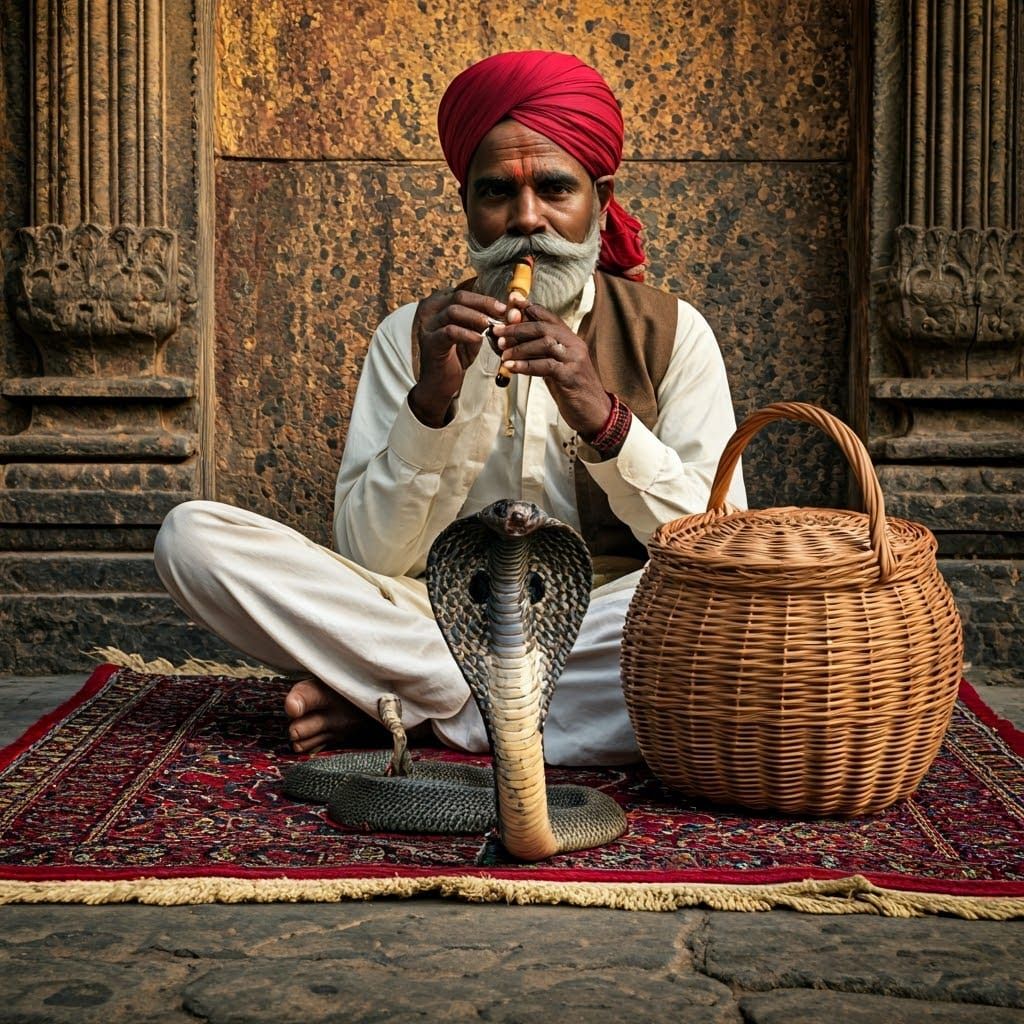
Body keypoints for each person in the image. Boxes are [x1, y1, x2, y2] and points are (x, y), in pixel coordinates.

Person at [154, 50, 746, 766]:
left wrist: (604, 419)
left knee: (734, 619)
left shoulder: (675, 332)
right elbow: (368, 557)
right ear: (466, 204)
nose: (527, 220)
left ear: (600, 197)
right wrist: (432, 405)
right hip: (432, 613)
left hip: (603, 619)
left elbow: (722, 548)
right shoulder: (410, 336)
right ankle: (481, 703)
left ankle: (407, 703)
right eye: (497, 193)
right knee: (191, 538)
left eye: (555, 189)